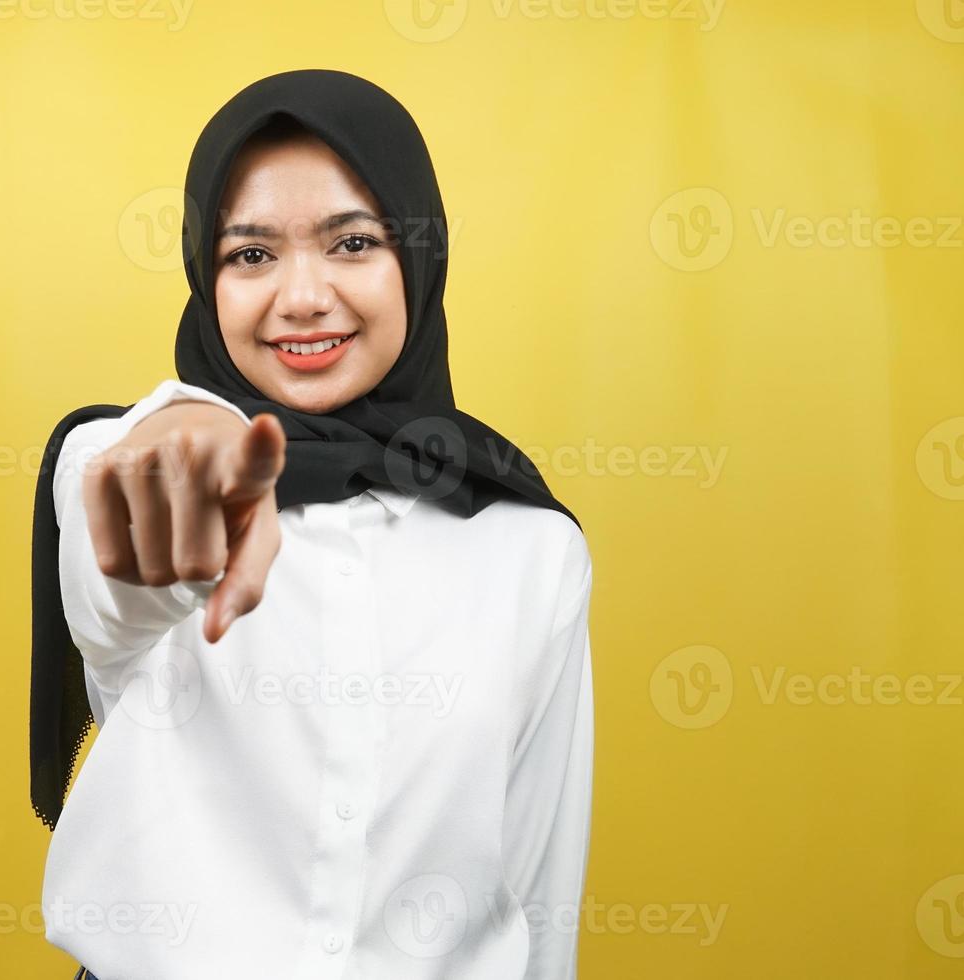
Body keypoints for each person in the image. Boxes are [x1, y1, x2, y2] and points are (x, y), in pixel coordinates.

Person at [30, 68, 594, 979]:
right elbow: (118, 586)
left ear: (419, 257)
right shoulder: (121, 465)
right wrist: (191, 439)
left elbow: (538, 882)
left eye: (352, 244)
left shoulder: (529, 546)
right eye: (250, 255)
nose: (301, 297)